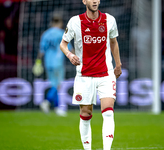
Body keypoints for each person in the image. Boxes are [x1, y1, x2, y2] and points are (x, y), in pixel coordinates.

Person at [60, 0, 122, 149]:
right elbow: (63, 44)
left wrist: (118, 63)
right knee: (86, 114)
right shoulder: (75, 22)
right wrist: (69, 55)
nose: (95, 1)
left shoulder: (109, 20)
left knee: (108, 112)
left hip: (105, 74)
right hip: (84, 76)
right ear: (84, 1)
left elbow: (113, 42)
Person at [33, 13, 74, 117]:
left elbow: (41, 50)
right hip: (58, 62)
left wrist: (38, 62)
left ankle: (57, 108)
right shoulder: (62, 33)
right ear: (60, 23)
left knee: (53, 84)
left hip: (48, 63)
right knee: (57, 84)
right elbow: (69, 48)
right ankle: (46, 101)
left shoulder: (45, 34)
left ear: (51, 23)